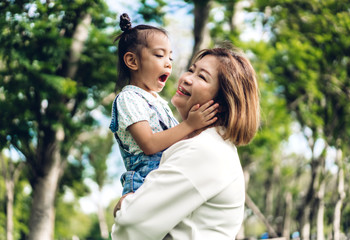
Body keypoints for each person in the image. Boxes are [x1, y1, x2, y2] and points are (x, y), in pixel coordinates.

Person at [111, 47, 260, 240]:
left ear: (222, 103)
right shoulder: (207, 146)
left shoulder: (204, 151)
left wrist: (123, 204)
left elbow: (129, 225)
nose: (186, 78)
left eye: (202, 77)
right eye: (191, 70)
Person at [110, 13, 219, 196]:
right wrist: (190, 124)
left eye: (170, 58)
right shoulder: (128, 99)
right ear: (132, 61)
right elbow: (149, 144)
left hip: (164, 174)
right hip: (144, 181)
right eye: (160, 55)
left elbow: (174, 139)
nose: (168, 64)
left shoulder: (158, 102)